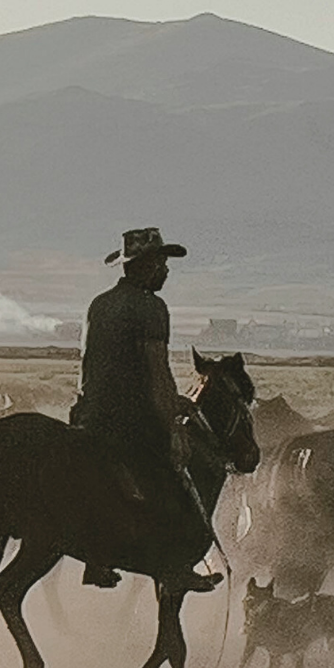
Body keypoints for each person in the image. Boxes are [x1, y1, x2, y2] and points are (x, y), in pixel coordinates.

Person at [69, 227, 220, 592]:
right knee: (179, 473)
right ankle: (176, 563)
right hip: (130, 418)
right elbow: (157, 372)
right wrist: (174, 425)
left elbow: (88, 363)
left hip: (89, 413)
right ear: (148, 266)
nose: (166, 271)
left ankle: (95, 559)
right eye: (163, 264)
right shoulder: (151, 307)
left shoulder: (99, 304)